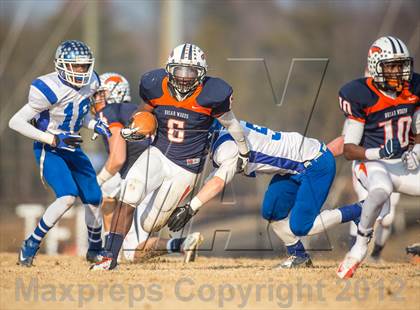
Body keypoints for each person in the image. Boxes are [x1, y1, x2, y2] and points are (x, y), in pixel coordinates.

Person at [91, 43, 250, 270]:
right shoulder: (155, 85)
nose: (184, 78)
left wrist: (244, 151)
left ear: (202, 73)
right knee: (130, 192)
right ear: (169, 69)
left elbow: (232, 124)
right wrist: (135, 126)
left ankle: (151, 242)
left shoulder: (212, 94)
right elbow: (143, 112)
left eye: (191, 72)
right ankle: (109, 257)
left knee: (150, 223)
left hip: (186, 167)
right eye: (179, 71)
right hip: (158, 153)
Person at [167, 120, 362, 268]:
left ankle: (357, 211)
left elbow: (218, 182)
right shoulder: (226, 133)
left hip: (315, 163)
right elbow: (216, 177)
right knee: (272, 211)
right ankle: (299, 257)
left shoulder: (226, 148)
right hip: (294, 168)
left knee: (302, 226)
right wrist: (186, 204)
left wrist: (191, 208)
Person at [8, 40, 111, 266]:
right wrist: (53, 138)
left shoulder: (92, 82)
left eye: (85, 66)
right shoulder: (46, 88)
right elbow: (15, 122)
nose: (82, 71)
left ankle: (95, 250)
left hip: (72, 147)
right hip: (50, 148)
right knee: (66, 197)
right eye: (76, 66)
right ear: (61, 66)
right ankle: (31, 244)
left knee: (94, 198)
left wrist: (95, 125)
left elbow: (79, 115)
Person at [92, 72, 202, 263]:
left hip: (141, 178)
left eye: (100, 94)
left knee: (130, 251)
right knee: (132, 243)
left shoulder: (111, 112)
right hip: (163, 173)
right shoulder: (139, 110)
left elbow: (118, 158)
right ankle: (182, 244)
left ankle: (108, 250)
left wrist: (97, 181)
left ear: (112, 93)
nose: (95, 99)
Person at [336, 36, 420, 279]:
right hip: (371, 163)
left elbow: (417, 130)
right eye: (391, 66)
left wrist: (415, 151)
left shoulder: (412, 90)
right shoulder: (360, 95)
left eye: (402, 65)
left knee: (387, 215)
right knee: (381, 192)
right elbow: (349, 150)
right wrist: (380, 152)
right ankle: (359, 249)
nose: (398, 72)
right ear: (375, 66)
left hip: (402, 164)